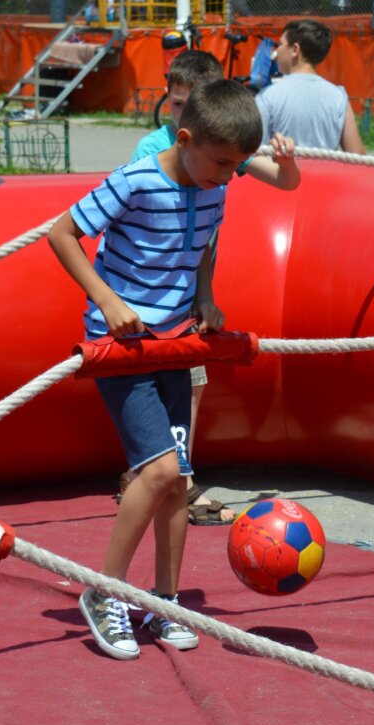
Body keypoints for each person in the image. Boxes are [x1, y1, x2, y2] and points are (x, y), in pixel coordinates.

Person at [49, 79, 292, 660]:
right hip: (123, 346)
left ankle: (165, 600)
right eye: (222, 163)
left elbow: (205, 242)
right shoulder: (136, 180)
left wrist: (205, 296)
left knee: (178, 479)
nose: (228, 177)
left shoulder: (214, 186)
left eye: (236, 166)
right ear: (184, 140)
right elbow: (62, 234)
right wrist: (108, 301)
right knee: (157, 471)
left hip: (177, 344)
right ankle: (104, 591)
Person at [124, 50, 300, 527]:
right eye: (177, 104)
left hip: (189, 289)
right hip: (153, 292)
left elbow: (284, 183)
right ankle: (158, 476)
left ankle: (173, 476)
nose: (184, 114)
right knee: (151, 387)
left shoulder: (218, 149)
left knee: (191, 384)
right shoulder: (155, 150)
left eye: (191, 104)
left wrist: (287, 161)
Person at [254, 19, 365, 154]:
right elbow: (357, 154)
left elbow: (254, 153)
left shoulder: (267, 96)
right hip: (324, 168)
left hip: (279, 168)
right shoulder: (339, 97)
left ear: (295, 50)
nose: (277, 51)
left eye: (280, 44)